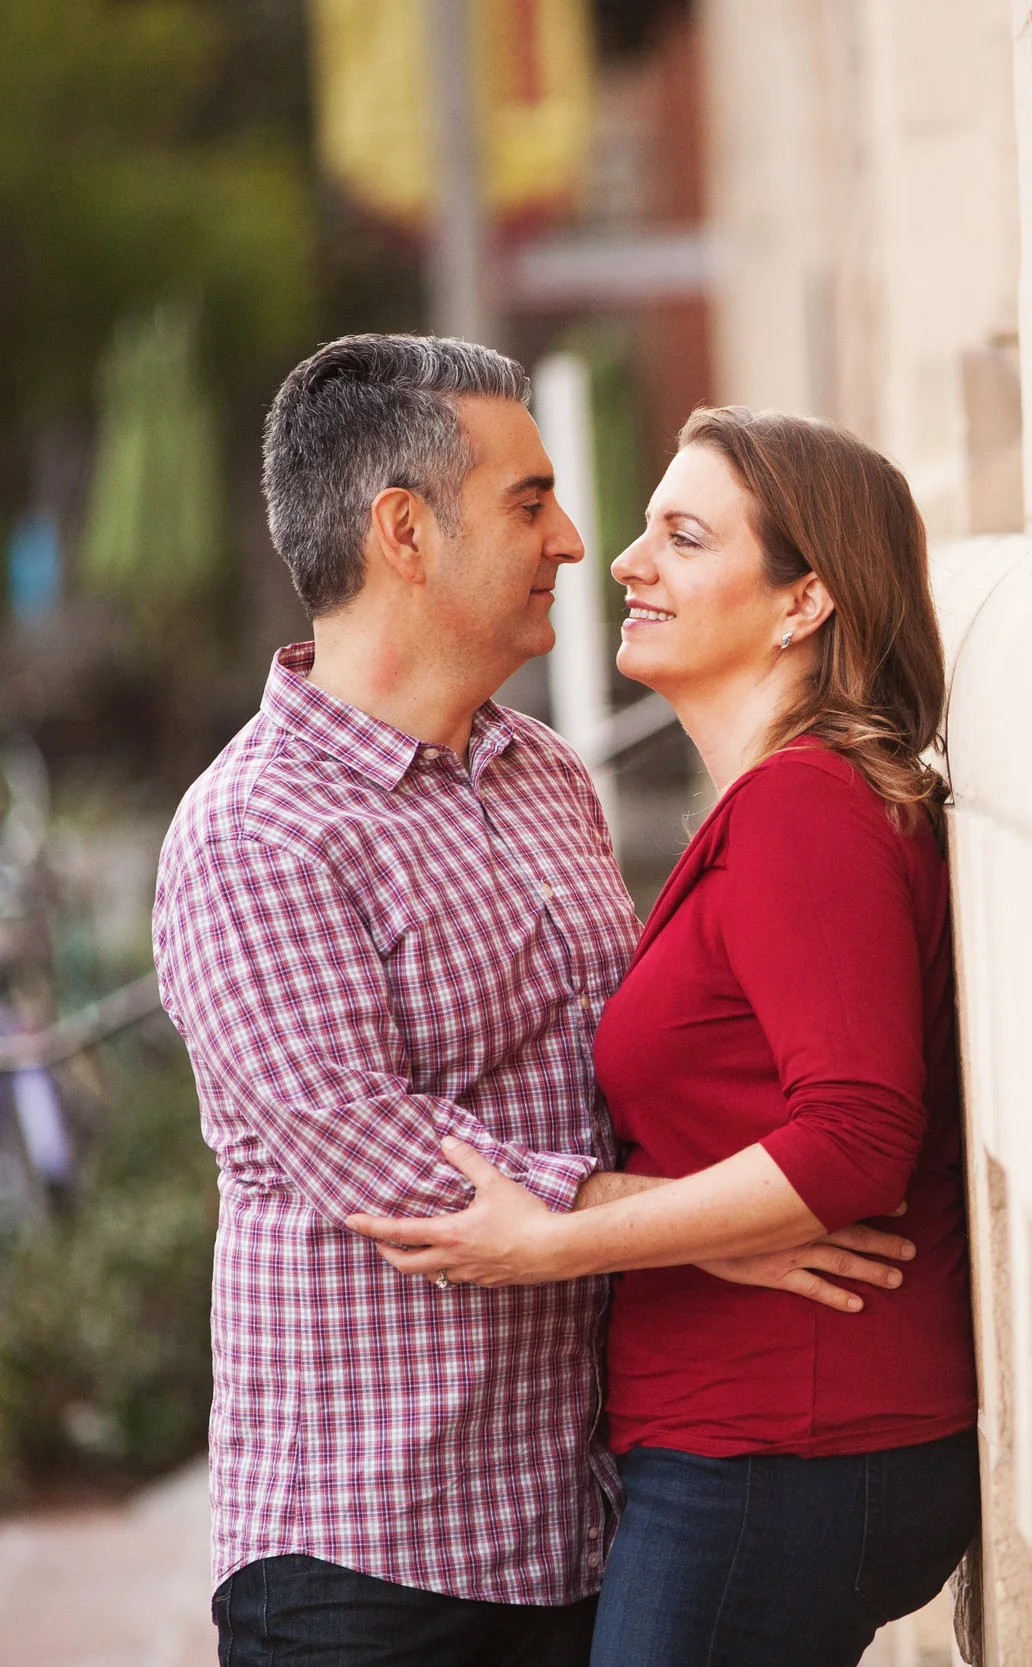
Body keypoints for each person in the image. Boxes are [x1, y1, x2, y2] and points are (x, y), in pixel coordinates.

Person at [155, 338, 910, 1666]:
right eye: (529, 501)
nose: (574, 539)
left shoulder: (548, 773)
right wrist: (698, 1225)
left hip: (586, 1521)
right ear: (403, 530)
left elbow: (629, 1083)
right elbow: (406, 1177)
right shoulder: (253, 830)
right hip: (369, 1559)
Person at [343, 407, 981, 1667]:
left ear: (804, 604)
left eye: (684, 538)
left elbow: (853, 1135)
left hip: (785, 1445)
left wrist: (561, 1240)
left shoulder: (807, 806)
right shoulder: (776, 804)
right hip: (760, 1444)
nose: (625, 561)